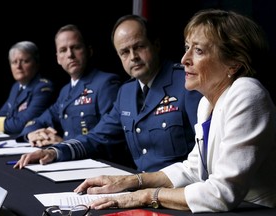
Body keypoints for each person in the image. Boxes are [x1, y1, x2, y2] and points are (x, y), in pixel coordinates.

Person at [72, 9, 276, 212]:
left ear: (233, 64)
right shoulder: (207, 103)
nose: (185, 58)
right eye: (187, 48)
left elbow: (220, 193)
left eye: (199, 51)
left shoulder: (247, 93)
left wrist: (145, 195)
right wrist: (129, 182)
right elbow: (193, 170)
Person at [14, 15, 202, 172]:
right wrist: (55, 152)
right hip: (140, 188)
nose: (133, 57)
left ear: (156, 44)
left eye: (139, 47)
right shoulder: (126, 92)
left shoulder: (186, 83)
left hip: (178, 194)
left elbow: (206, 155)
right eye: (124, 52)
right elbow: (98, 137)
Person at [16, 24, 123, 151]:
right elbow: (41, 120)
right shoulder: (66, 91)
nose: (70, 55)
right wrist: (31, 135)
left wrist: (65, 145)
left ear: (89, 51)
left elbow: (110, 135)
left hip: (98, 162)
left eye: (76, 47)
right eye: (63, 50)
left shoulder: (106, 83)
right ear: (58, 59)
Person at [0, 41, 54, 135]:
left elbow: (22, 124)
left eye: (25, 61)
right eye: (14, 62)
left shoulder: (43, 88)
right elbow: (4, 113)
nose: (18, 66)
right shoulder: (16, 87)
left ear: (36, 63)